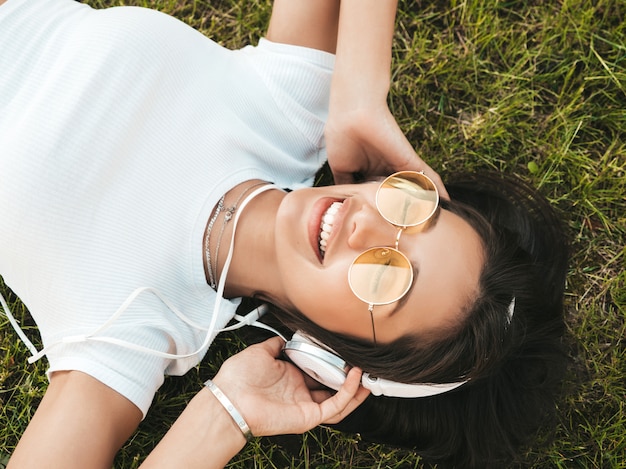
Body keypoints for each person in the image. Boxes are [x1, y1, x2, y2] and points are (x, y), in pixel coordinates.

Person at [0, 0, 569, 468]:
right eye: (411, 210)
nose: (368, 222)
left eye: (384, 276)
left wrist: (222, 417)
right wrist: (359, 91)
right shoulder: (291, 111)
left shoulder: (129, 332)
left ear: (333, 359)